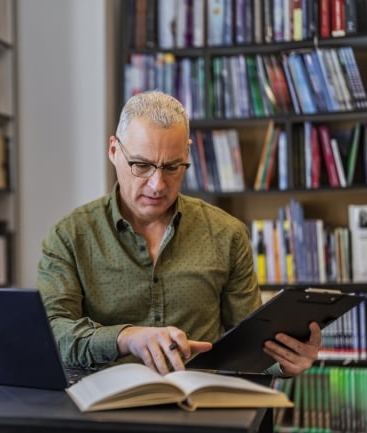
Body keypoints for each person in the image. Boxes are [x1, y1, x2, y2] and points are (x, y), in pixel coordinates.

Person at [37, 90, 321, 376]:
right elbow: (52, 333)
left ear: (186, 153)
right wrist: (126, 338)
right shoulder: (70, 236)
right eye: (142, 165)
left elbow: (247, 343)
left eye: (172, 167)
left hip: (199, 405)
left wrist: (285, 360)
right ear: (114, 151)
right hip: (101, 408)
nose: (157, 185)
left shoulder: (227, 234)